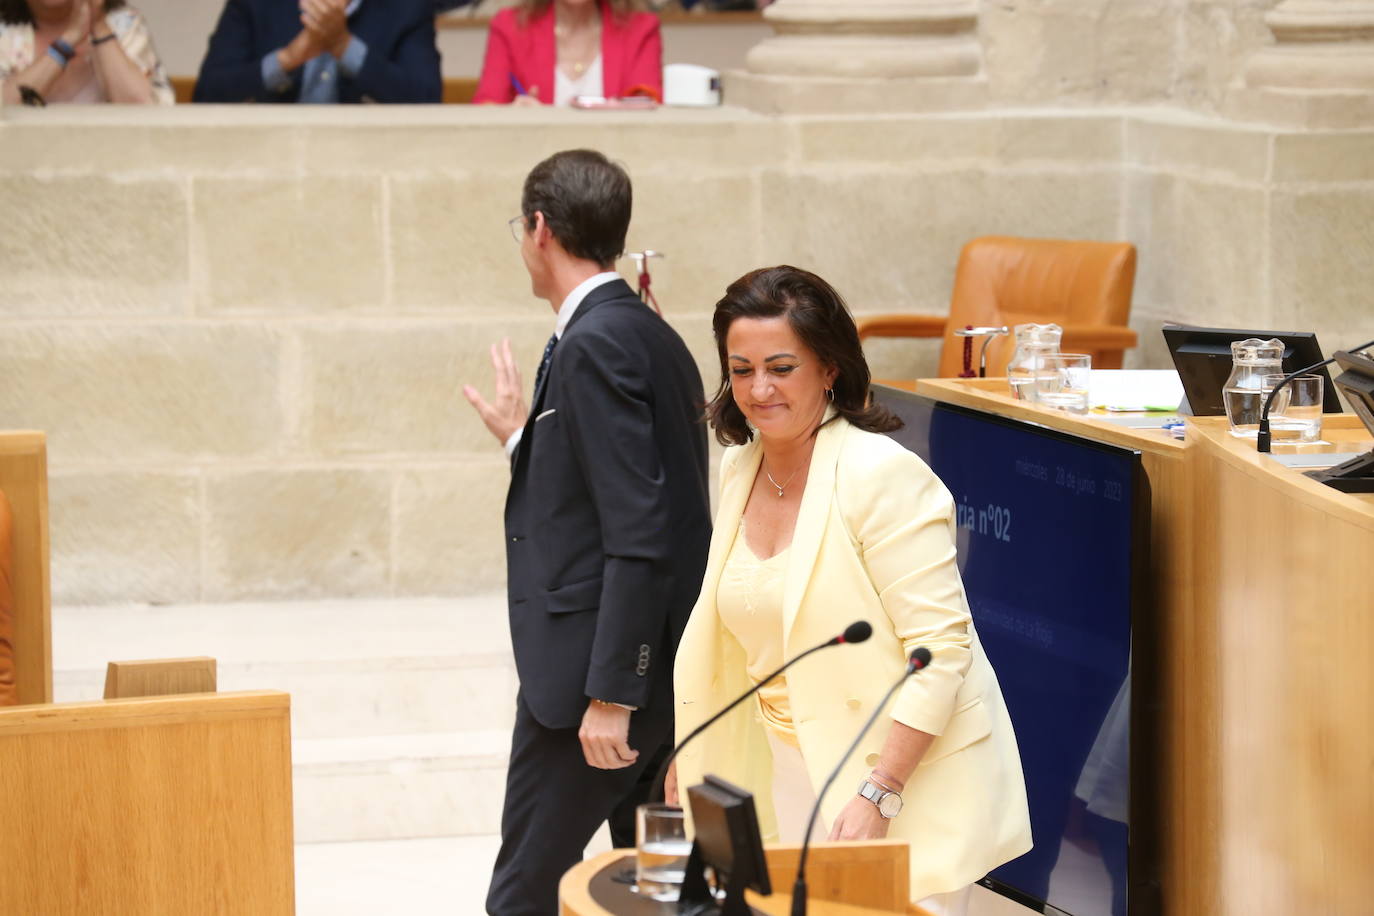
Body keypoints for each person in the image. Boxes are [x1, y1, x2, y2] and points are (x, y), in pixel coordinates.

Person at [669, 266, 1032, 915]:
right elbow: (731, 633)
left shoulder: (883, 478)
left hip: (900, 781)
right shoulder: (739, 464)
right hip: (790, 763)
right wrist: (693, 750)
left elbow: (940, 655)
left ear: (829, 367)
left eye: (781, 367)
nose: (759, 389)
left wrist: (880, 792)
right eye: (742, 368)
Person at [462, 149, 711, 916]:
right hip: (653, 672)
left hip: (589, 691)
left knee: (526, 895)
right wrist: (521, 444)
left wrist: (610, 692)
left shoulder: (594, 342)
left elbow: (640, 529)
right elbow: (618, 491)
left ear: (539, 229)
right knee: (664, 897)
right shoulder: (647, 333)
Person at [192, 0, 441, 103]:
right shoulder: (255, 4)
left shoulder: (407, 7)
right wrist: (286, 59)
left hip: (370, 166)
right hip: (268, 161)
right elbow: (207, 94)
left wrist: (345, 47)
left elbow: (427, 98)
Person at [471, 0, 660, 106]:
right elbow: (486, 106)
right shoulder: (509, 26)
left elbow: (648, 104)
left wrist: (625, 110)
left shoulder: (641, 28)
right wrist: (515, 114)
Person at [0, 0, 171, 105]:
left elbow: (142, 108)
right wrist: (68, 40)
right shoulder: (4, 32)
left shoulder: (124, 24)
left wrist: (99, 26)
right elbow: (5, 107)